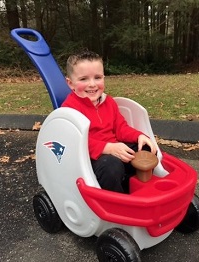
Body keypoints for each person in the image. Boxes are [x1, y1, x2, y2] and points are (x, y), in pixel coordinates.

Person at [61, 50, 157, 193]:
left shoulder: (109, 102)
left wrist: (138, 136)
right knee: (111, 166)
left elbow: (121, 128)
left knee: (146, 149)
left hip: (115, 150)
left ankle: (135, 186)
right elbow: (74, 143)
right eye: (83, 79)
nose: (92, 84)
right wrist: (108, 148)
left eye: (97, 77)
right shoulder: (69, 110)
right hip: (90, 161)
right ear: (70, 83)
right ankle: (117, 202)